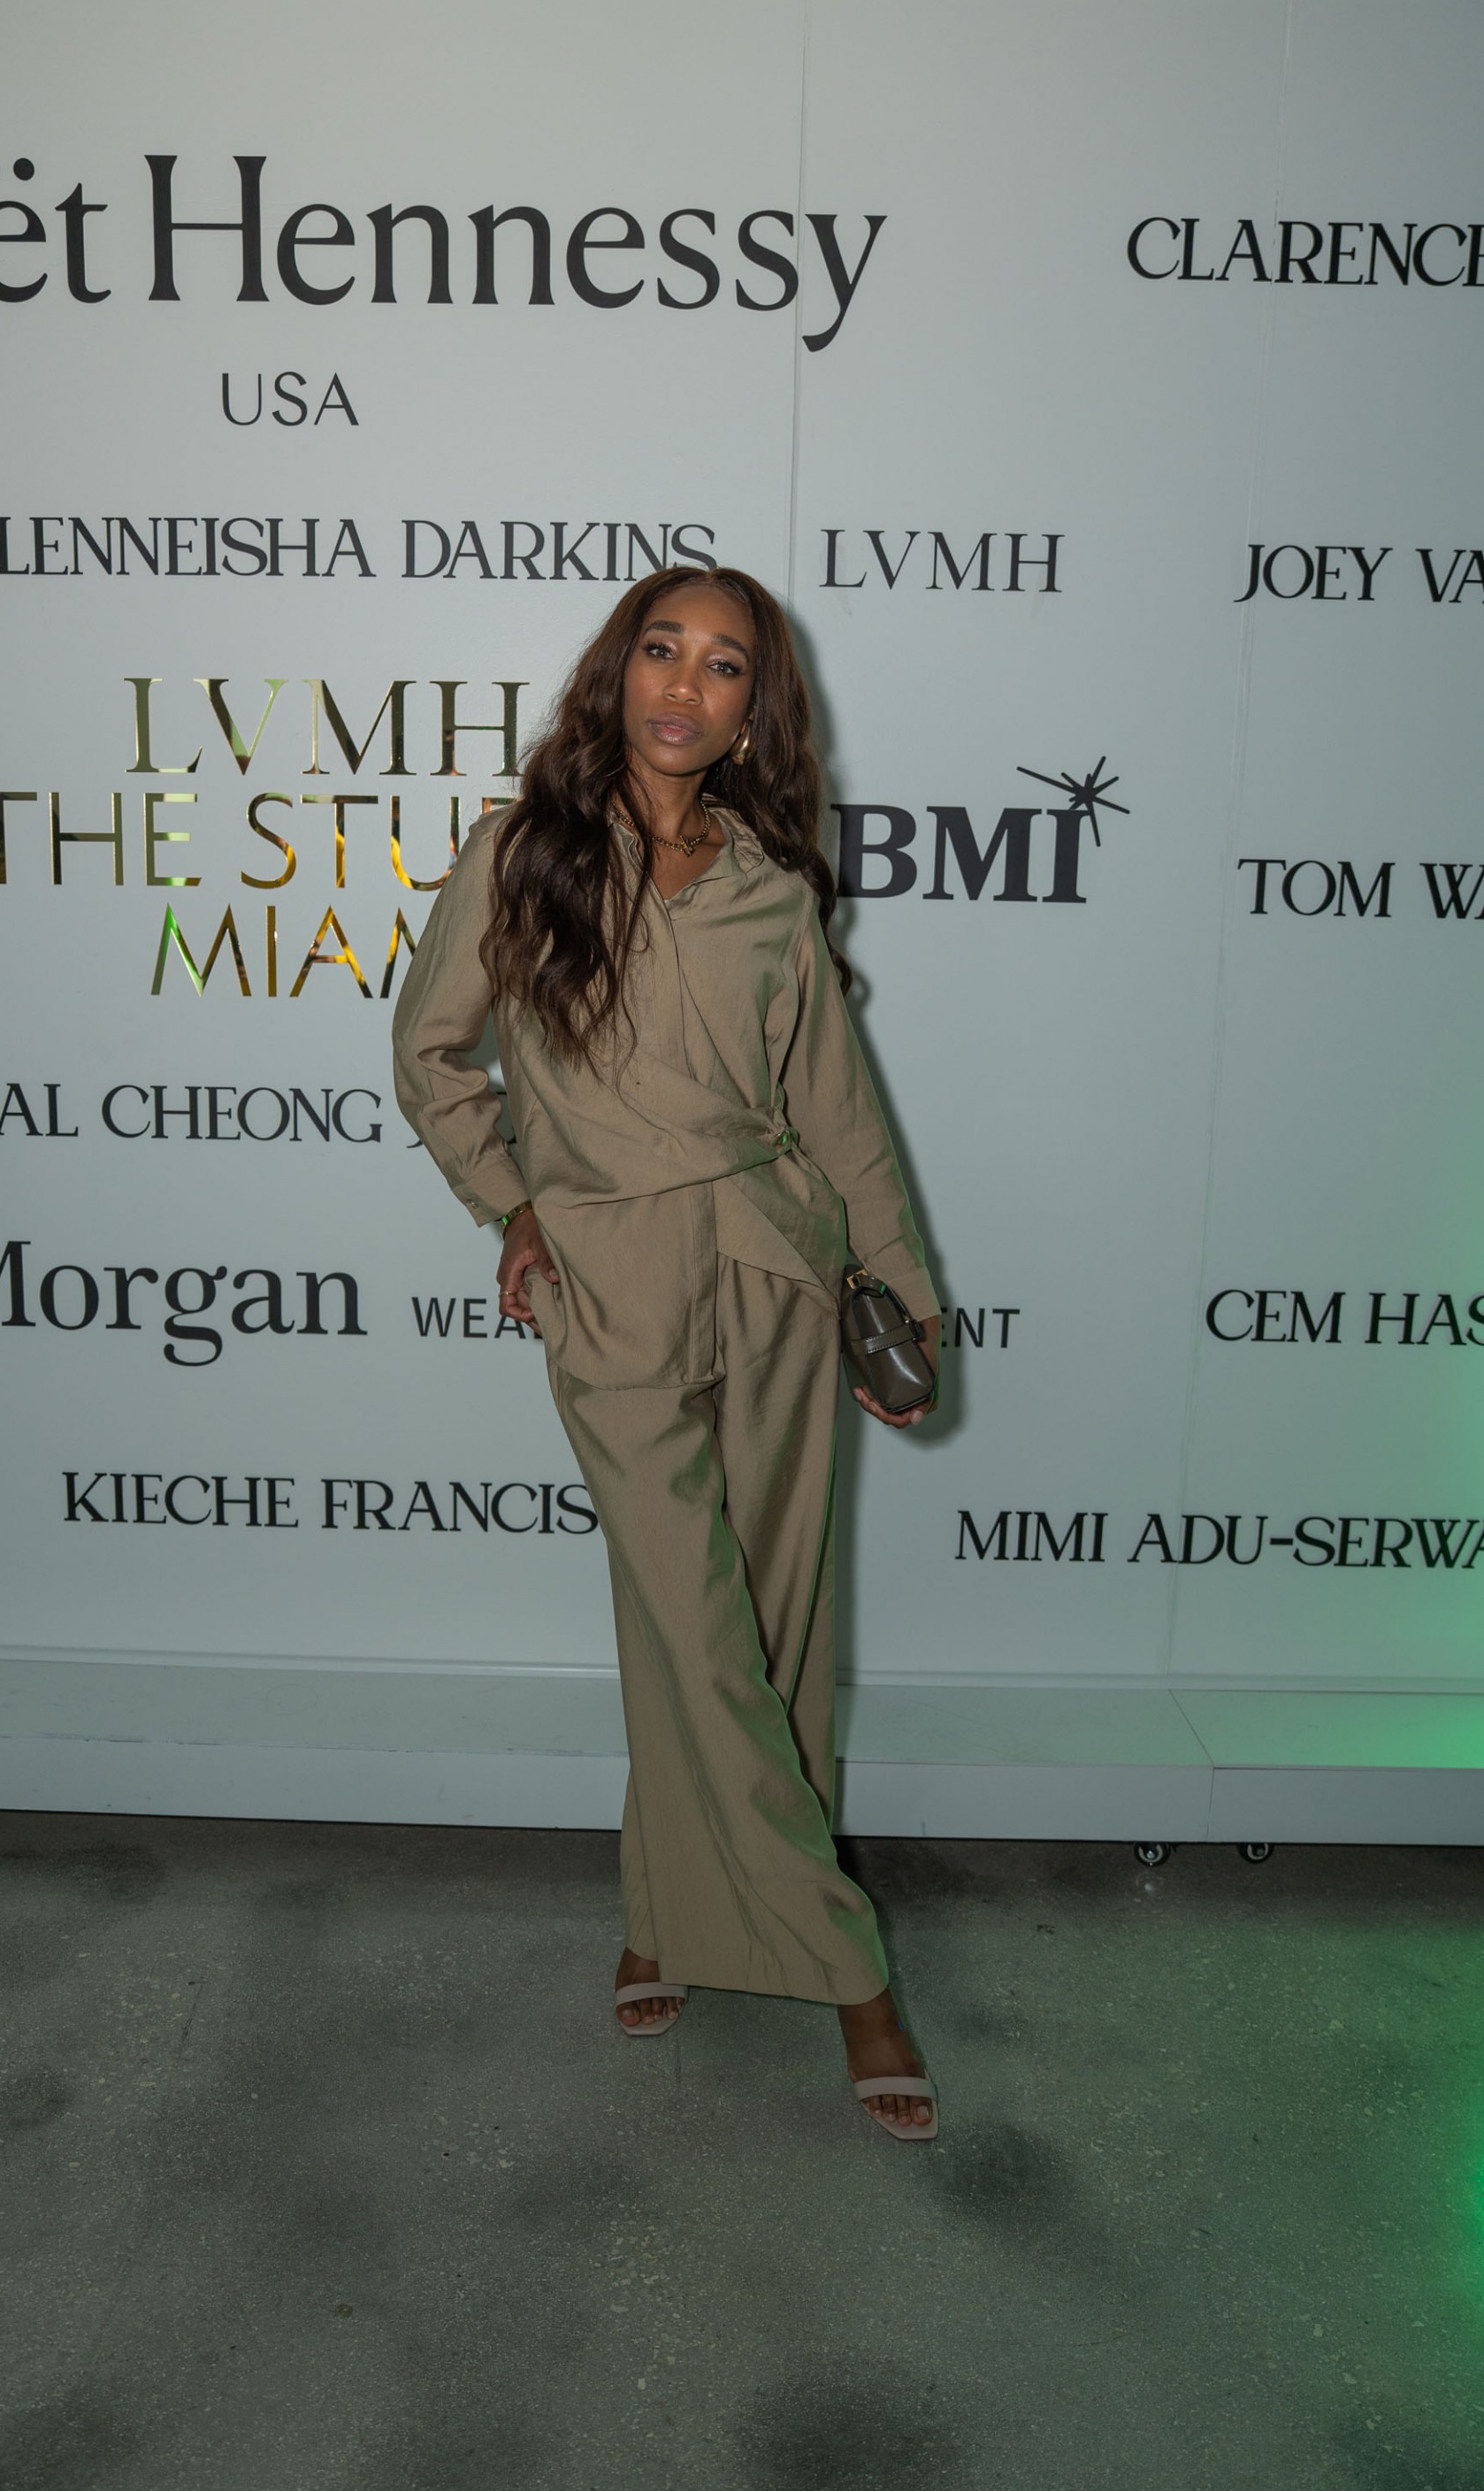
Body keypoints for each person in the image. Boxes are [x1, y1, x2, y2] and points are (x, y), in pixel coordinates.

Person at [392, 567, 942, 2140]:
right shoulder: (523, 853)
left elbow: (839, 1111)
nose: (685, 686)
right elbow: (431, 1054)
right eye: (661, 649)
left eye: (724, 666)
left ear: (757, 709)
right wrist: (513, 1204)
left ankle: (668, 1913)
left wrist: (899, 1294)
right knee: (698, 1633)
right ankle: (851, 1968)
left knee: (769, 1628)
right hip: (610, 1283)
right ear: (617, 670)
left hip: (777, 1270)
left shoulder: (771, 885)